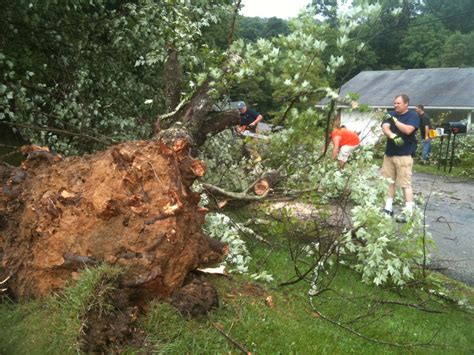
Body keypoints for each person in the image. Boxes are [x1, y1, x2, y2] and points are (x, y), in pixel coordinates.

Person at [381, 94, 420, 223]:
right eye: (395, 103)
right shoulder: (390, 113)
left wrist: (395, 121)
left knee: (405, 184)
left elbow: (408, 130)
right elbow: (385, 127)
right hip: (389, 154)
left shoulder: (413, 116)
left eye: (398, 103)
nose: (395, 105)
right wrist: (392, 135)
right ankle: (388, 209)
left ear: (406, 104)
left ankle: (408, 212)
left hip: (403, 156)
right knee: (388, 182)